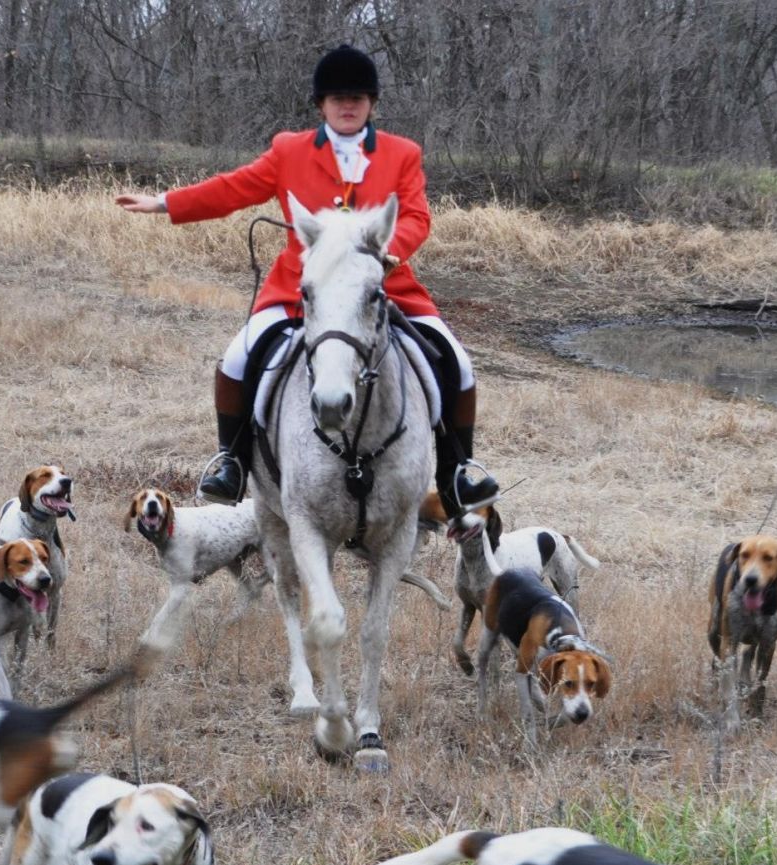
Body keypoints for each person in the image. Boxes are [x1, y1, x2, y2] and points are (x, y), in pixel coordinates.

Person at [116, 44, 498, 515]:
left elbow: (416, 216)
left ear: (372, 102)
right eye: (337, 97)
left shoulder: (402, 154)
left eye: (357, 96)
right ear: (321, 103)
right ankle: (230, 463)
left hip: (382, 286)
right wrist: (166, 202)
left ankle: (457, 471)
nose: (347, 104)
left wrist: (388, 256)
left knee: (456, 362)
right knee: (237, 359)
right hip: (303, 290)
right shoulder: (289, 151)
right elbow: (233, 189)